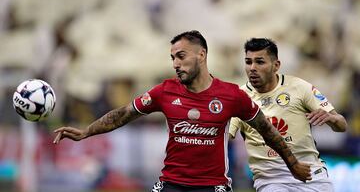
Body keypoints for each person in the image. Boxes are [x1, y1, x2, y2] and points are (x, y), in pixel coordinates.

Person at [53, 31, 311, 192]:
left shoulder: (232, 95)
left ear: (202, 55)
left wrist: (293, 163)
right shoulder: (164, 92)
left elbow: (266, 129)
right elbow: (123, 114)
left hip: (212, 187)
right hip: (171, 184)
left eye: (182, 56)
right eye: (173, 57)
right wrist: (86, 132)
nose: (176, 63)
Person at [230, 38, 348, 192]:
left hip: (312, 174)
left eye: (259, 62)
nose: (252, 68)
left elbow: (342, 125)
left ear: (276, 65)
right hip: (271, 180)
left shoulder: (299, 87)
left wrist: (331, 118)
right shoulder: (240, 97)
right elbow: (225, 135)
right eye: (248, 62)